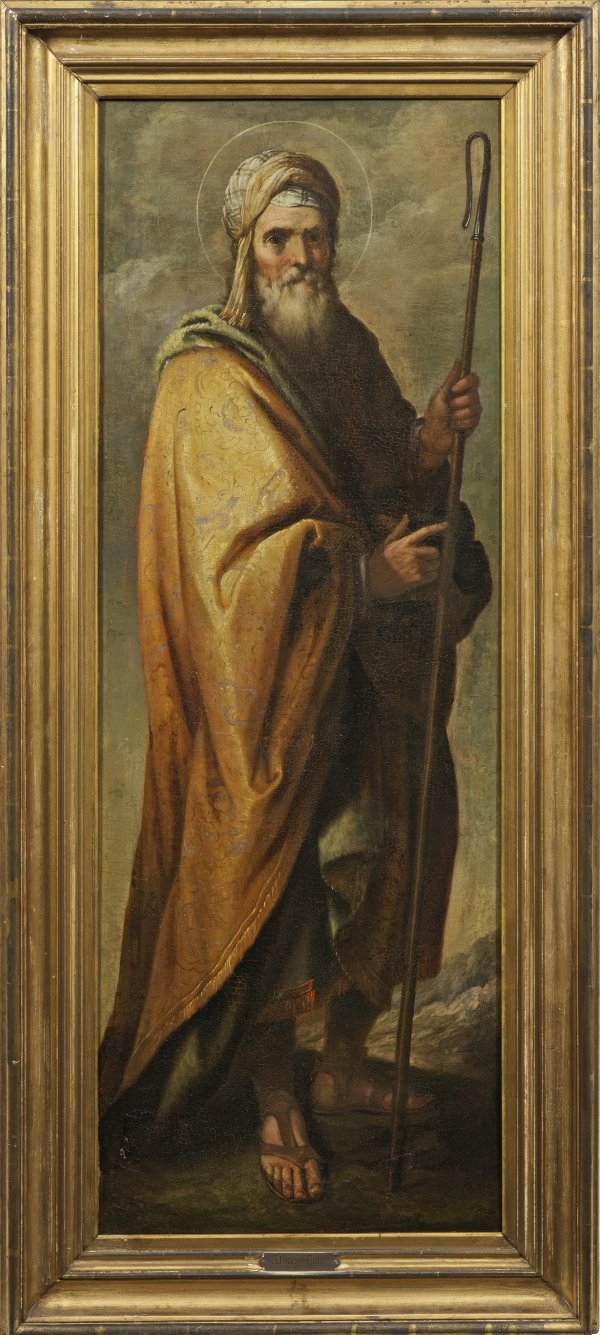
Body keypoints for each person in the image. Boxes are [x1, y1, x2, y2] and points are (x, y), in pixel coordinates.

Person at [100, 149, 492, 1204]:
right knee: (281, 862)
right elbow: (227, 567)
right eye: (282, 239)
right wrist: (362, 574)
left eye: (317, 237)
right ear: (247, 250)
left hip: (360, 666)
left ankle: (344, 1058)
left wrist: (428, 441)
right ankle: (276, 1090)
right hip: (261, 690)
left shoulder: (342, 344)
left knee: (409, 814)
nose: (304, 257)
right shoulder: (207, 375)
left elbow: (378, 466)